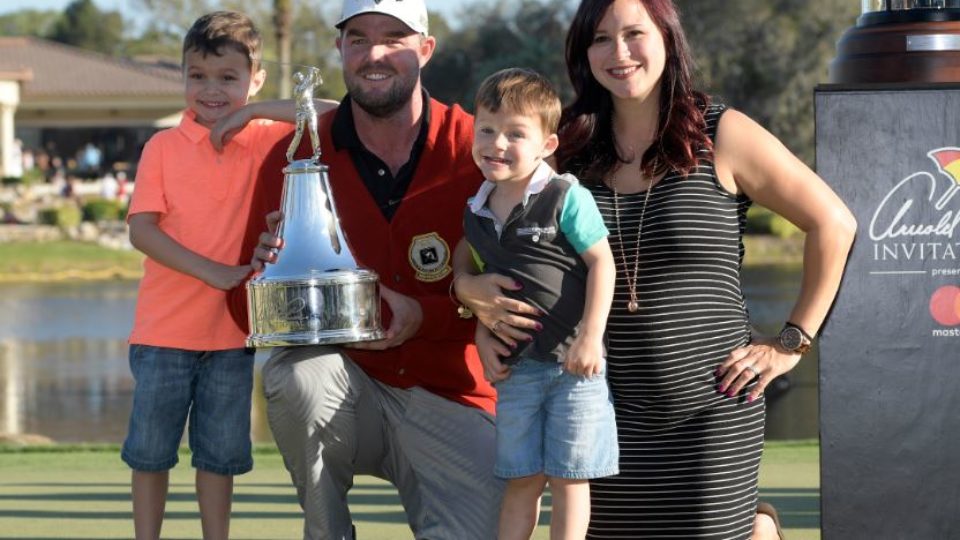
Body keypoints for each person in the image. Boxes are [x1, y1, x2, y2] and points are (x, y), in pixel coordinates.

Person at [454, 0, 857, 539]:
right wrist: (469, 292)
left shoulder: (722, 133)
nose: (618, 53)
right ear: (583, 52)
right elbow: (499, 244)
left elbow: (833, 222)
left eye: (634, 34)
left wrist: (790, 343)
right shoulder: (564, 149)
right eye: (599, 38)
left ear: (668, 39)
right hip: (599, 407)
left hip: (711, 407)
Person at [228, 0, 502, 538]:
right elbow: (242, 307)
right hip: (349, 393)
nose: (373, 54)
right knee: (295, 376)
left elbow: (528, 290)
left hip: (455, 396)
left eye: (394, 38)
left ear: (425, 48)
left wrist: (426, 316)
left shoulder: (481, 149)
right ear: (340, 49)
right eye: (358, 38)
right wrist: (267, 277)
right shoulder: (295, 156)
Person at [120, 11, 294, 540]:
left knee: (219, 458)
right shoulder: (162, 148)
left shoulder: (266, 136)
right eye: (198, 76)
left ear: (255, 80)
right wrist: (215, 273)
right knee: (150, 454)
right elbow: (142, 231)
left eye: (228, 78)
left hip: (232, 337)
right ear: (183, 77)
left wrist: (254, 113)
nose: (211, 90)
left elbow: (333, 115)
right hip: (162, 333)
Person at [461, 67, 619, 540]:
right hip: (519, 372)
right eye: (487, 130)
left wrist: (591, 338)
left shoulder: (565, 195)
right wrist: (481, 331)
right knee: (521, 478)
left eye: (515, 133)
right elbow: (467, 272)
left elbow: (603, 265)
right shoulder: (476, 209)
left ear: (547, 145)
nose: (497, 143)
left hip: (575, 369)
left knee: (571, 478)